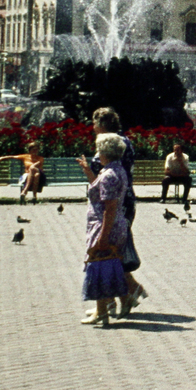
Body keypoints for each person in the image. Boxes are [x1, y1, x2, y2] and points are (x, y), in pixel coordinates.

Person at [77, 134, 133, 327]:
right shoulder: (114, 170)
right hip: (112, 223)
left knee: (98, 265)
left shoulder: (109, 174)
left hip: (105, 224)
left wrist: (103, 236)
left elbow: (109, 206)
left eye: (98, 150)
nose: (97, 154)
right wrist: (88, 172)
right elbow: (99, 191)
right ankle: (104, 309)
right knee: (104, 265)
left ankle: (104, 311)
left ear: (105, 152)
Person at [160, 140, 192, 209]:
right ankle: (163, 198)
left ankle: (184, 199)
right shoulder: (169, 157)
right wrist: (175, 174)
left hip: (182, 176)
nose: (176, 151)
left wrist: (180, 162)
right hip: (172, 176)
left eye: (178, 150)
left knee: (188, 180)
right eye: (175, 149)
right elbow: (167, 170)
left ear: (181, 150)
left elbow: (186, 171)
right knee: (165, 180)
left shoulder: (185, 157)